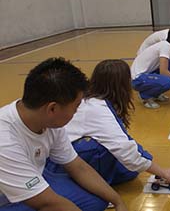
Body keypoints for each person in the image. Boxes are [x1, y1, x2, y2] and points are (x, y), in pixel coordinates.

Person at [0, 58, 128, 211]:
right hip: (6, 198)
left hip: (35, 176)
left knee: (97, 202)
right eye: (76, 106)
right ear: (52, 108)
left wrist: (118, 201)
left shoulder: (47, 119)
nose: (76, 112)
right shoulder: (5, 139)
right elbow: (46, 203)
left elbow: (78, 167)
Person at [46, 59, 170, 187]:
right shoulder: (97, 108)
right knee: (103, 150)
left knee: (131, 167)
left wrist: (145, 159)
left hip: (56, 156)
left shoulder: (94, 99)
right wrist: (163, 173)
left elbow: (124, 140)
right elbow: (125, 150)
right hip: (59, 163)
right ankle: (84, 182)